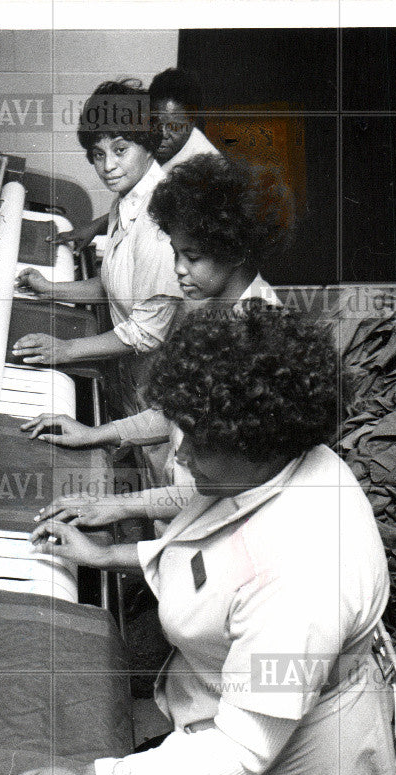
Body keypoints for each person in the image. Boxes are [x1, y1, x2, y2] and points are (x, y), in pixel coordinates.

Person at [0, 302, 396, 775]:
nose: (181, 455)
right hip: (233, 699)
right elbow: (209, 545)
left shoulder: (304, 570)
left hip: (291, 752)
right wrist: (107, 554)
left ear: (259, 443)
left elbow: (244, 746)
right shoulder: (267, 467)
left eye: (200, 444)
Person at [22, 153, 295, 516]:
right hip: (177, 498)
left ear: (234, 251)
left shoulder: (257, 341)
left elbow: (221, 494)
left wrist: (117, 509)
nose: (178, 270)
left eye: (192, 258)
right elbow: (176, 413)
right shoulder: (207, 304)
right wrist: (95, 432)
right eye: (176, 253)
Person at [11, 80, 182, 431]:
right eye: (99, 155)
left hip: (165, 387)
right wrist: (51, 289)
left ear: (148, 145)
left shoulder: (159, 222)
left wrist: (66, 349)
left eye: (121, 150)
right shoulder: (127, 199)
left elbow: (147, 333)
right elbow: (116, 285)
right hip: (136, 375)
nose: (108, 166)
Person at [51, 68, 218, 253]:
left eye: (174, 127)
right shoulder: (151, 142)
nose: (162, 134)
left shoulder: (207, 170)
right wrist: (94, 227)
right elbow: (137, 200)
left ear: (192, 122)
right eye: (158, 123)